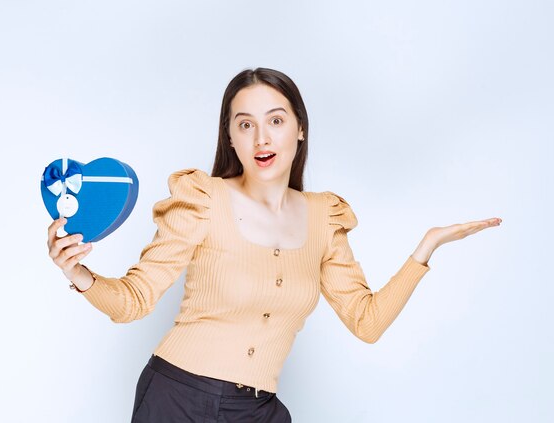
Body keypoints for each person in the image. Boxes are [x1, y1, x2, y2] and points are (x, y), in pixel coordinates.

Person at [46, 67, 502, 422]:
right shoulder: (203, 199)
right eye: (245, 124)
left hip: (258, 410)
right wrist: (78, 274)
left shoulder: (325, 216)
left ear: (299, 129)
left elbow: (367, 322)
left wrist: (424, 251)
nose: (261, 137)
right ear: (230, 136)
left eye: (276, 121)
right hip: (178, 400)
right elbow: (134, 301)